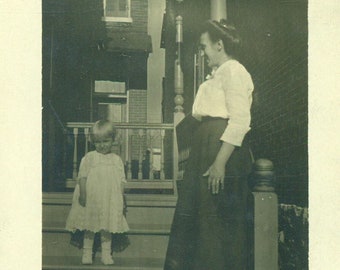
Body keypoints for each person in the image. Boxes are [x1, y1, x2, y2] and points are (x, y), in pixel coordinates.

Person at [164, 19, 254, 270]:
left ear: (219, 44)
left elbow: (239, 121)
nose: (202, 53)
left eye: (204, 47)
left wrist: (219, 163)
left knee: (216, 223)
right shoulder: (217, 75)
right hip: (206, 150)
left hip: (221, 152)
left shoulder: (234, 71)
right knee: (200, 224)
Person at [65, 120, 129, 265]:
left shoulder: (116, 160)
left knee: (107, 227)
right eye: (98, 142)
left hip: (109, 199)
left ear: (113, 140)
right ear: (93, 141)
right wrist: (82, 193)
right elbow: (82, 176)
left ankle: (106, 255)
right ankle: (87, 253)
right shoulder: (89, 157)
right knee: (90, 225)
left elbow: (121, 181)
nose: (102, 145)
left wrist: (121, 197)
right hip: (91, 198)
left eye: (105, 141)